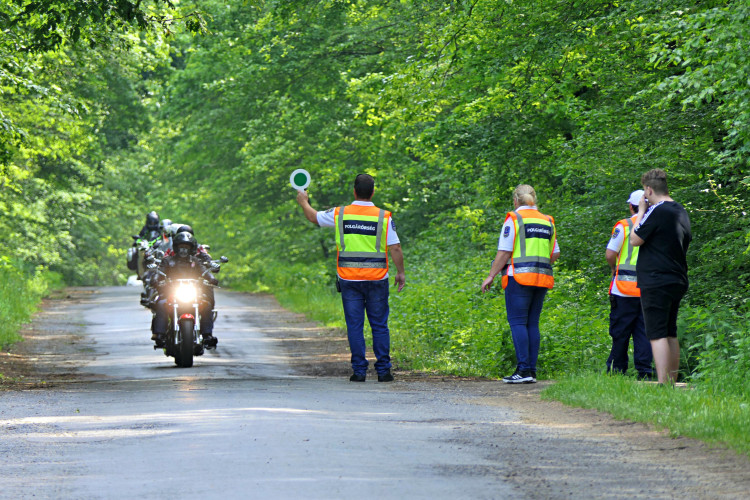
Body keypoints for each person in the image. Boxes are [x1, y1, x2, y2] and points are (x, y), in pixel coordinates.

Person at [296, 173, 406, 382]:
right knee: (379, 325)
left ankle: (359, 371)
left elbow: (313, 216)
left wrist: (303, 202)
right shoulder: (383, 216)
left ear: (354, 191)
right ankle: (383, 371)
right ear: (373, 192)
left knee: (355, 325)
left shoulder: (340, 213)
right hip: (377, 279)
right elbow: (396, 247)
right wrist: (400, 273)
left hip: (349, 280)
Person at [481, 185, 560, 384]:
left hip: (519, 278)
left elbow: (504, 252)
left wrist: (491, 275)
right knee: (532, 323)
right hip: (541, 277)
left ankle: (523, 370)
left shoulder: (514, 219)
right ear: (534, 199)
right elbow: (555, 253)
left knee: (518, 323)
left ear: (516, 201)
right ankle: (530, 370)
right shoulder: (547, 220)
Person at [630, 169, 691, 385]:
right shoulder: (680, 210)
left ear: (648, 190)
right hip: (677, 277)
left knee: (656, 333)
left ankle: (664, 384)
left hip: (656, 279)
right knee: (670, 331)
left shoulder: (658, 210)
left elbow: (635, 239)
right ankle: (671, 382)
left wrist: (641, 211)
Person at [605, 190, 653, 379]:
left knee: (621, 331)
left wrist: (613, 269)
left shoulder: (624, 225)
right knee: (644, 332)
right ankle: (645, 372)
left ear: (631, 206)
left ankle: (618, 370)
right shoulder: (656, 225)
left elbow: (610, 253)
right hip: (648, 289)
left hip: (623, 289)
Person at [151, 232, 219, 349]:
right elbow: (160, 272)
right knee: (161, 303)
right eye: (181, 247)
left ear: (191, 249)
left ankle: (207, 335)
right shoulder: (168, 261)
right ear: (176, 247)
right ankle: (160, 335)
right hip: (172, 293)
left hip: (192, 293)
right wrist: (156, 280)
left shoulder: (195, 261)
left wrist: (212, 279)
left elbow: (205, 271)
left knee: (206, 304)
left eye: (186, 248)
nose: (183, 250)